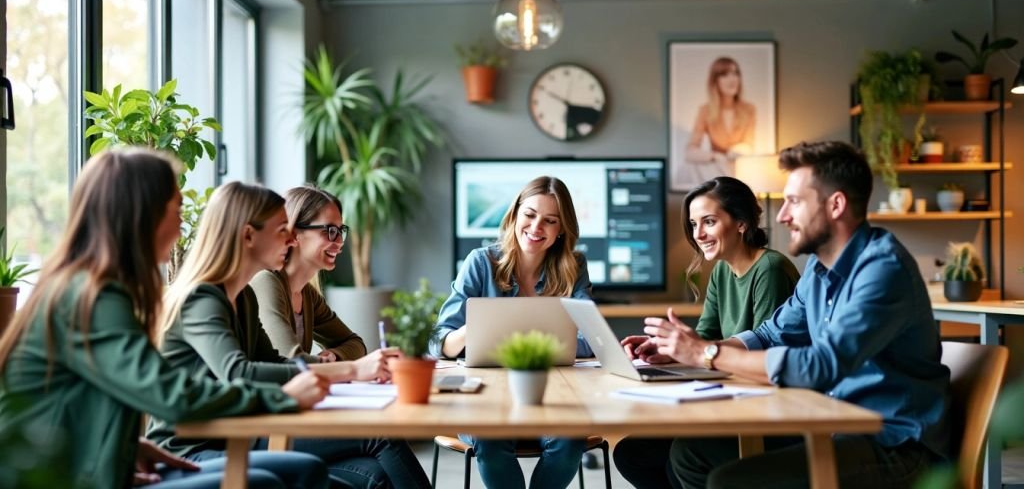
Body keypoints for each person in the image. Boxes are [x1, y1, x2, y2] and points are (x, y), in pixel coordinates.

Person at [0, 150, 330, 489]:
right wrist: (285, 397)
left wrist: (126, 448)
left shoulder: (94, 286)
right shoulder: (93, 295)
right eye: (178, 209)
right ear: (143, 215)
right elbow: (173, 395)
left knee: (300, 471)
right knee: (266, 482)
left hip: (91, 467)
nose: (183, 223)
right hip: (51, 479)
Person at [639, 141, 950, 488]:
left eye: (795, 202)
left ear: (836, 205)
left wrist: (706, 354)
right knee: (693, 456)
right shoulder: (819, 266)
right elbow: (771, 334)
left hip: (891, 443)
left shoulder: (882, 270)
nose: (783, 215)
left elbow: (821, 365)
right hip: (831, 426)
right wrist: (687, 349)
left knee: (731, 481)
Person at [146, 181, 431, 489]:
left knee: (371, 474)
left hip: (234, 433)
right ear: (248, 236)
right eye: (282, 229)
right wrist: (350, 368)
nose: (291, 238)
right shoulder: (202, 297)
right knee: (378, 435)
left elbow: (275, 360)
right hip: (192, 448)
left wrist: (337, 369)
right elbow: (237, 371)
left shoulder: (243, 298)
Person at [612, 176, 800, 488]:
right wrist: (668, 348)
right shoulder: (722, 271)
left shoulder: (770, 269)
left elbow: (768, 352)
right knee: (632, 452)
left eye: (709, 222)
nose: (698, 234)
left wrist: (695, 350)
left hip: (767, 409)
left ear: (741, 223)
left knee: (681, 457)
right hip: (733, 398)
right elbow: (703, 340)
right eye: (693, 224)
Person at [428, 176, 594, 489]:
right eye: (529, 215)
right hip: (485, 401)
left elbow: (590, 338)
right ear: (514, 215)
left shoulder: (574, 266)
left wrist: (530, 344)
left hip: (551, 398)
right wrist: (473, 330)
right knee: (491, 442)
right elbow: (439, 342)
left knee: (570, 442)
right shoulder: (480, 263)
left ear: (561, 230)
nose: (536, 227)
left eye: (550, 221)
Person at [250, 185, 366, 362]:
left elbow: (355, 343)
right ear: (294, 234)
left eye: (340, 231)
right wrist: (329, 364)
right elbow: (289, 361)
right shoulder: (265, 281)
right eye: (330, 231)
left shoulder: (307, 295)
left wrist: (334, 355)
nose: (340, 242)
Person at [682, 57, 757, 183]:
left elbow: (749, 144)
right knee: (692, 167)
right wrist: (714, 156)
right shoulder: (705, 110)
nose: (732, 79)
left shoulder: (749, 109)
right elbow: (690, 151)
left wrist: (736, 150)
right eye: (725, 75)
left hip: (740, 166)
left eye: (735, 73)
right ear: (715, 81)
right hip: (716, 168)